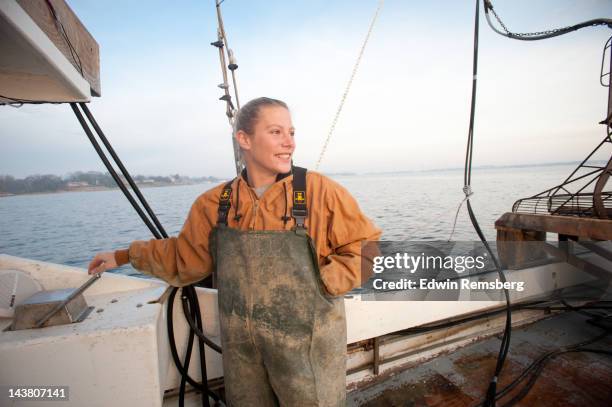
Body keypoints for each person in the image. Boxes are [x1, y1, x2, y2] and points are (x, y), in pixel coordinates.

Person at [88, 97, 381, 407]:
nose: (289, 143)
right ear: (244, 139)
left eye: (291, 132)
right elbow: (183, 259)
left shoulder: (320, 191)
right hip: (243, 355)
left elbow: (367, 247)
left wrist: (322, 284)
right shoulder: (215, 203)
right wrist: (123, 256)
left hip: (307, 351)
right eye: (276, 132)